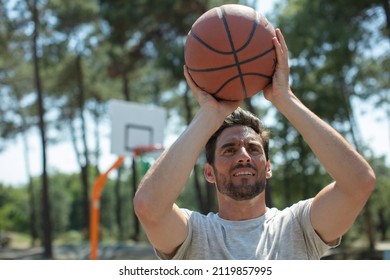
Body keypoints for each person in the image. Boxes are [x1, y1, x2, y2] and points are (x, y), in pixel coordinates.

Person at [133, 29, 376, 259]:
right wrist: (208, 114)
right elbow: (148, 207)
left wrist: (285, 97)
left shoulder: (297, 226)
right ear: (209, 172)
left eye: (253, 148)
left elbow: (359, 182)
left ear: (268, 167)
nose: (243, 156)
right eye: (229, 150)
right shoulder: (195, 234)